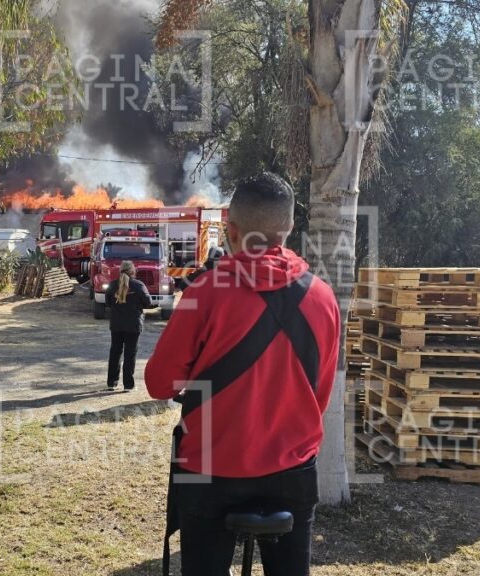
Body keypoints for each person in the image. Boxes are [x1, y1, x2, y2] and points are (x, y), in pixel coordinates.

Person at [144, 172, 341, 576]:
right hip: (292, 473)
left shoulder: (204, 292)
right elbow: (318, 396)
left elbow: (159, 384)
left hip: (209, 470)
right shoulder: (322, 297)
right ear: (288, 228)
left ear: (230, 229)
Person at [105, 260, 151, 390]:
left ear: (120, 271)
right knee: (130, 354)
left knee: (115, 352)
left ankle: (111, 383)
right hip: (133, 325)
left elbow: (108, 303)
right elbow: (147, 302)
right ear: (133, 271)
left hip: (116, 324)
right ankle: (128, 385)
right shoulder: (138, 285)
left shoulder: (112, 285)